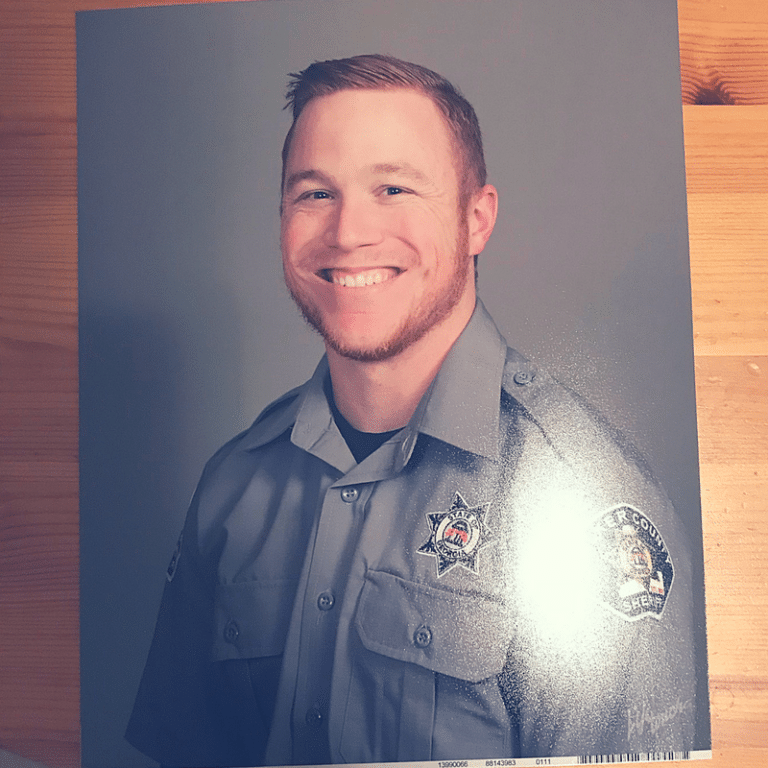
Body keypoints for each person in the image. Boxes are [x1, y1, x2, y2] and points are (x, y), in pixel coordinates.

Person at [126, 54, 696, 767]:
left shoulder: (589, 503)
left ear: (477, 217)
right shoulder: (233, 488)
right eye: (314, 194)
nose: (348, 233)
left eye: (392, 187)